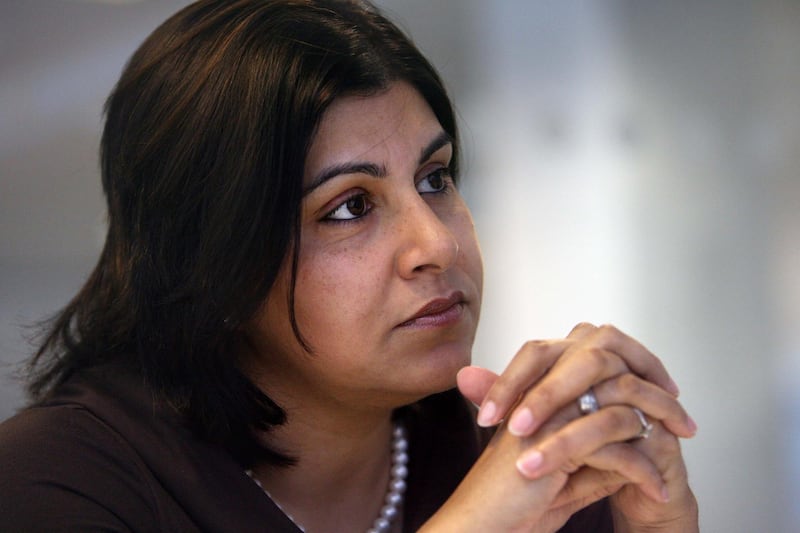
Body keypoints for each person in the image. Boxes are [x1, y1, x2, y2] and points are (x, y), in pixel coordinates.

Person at [0, 1, 698, 531]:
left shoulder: (537, 470)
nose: (438, 243)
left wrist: (656, 523)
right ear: (212, 261)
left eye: (434, 179)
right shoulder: (58, 483)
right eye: (350, 206)